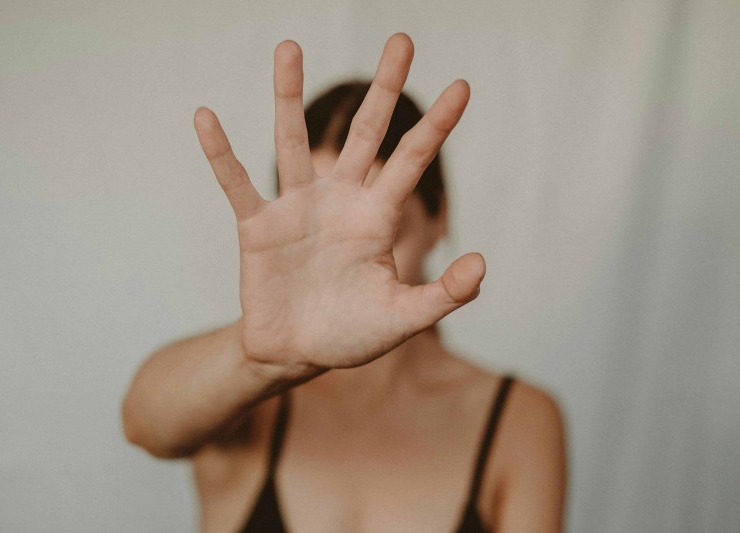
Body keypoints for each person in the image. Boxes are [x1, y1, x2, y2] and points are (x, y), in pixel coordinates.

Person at [122, 33, 566, 533]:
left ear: (439, 216)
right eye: (322, 241)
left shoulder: (517, 420)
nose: (345, 270)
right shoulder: (247, 400)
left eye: (383, 233)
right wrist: (258, 357)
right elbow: (142, 423)